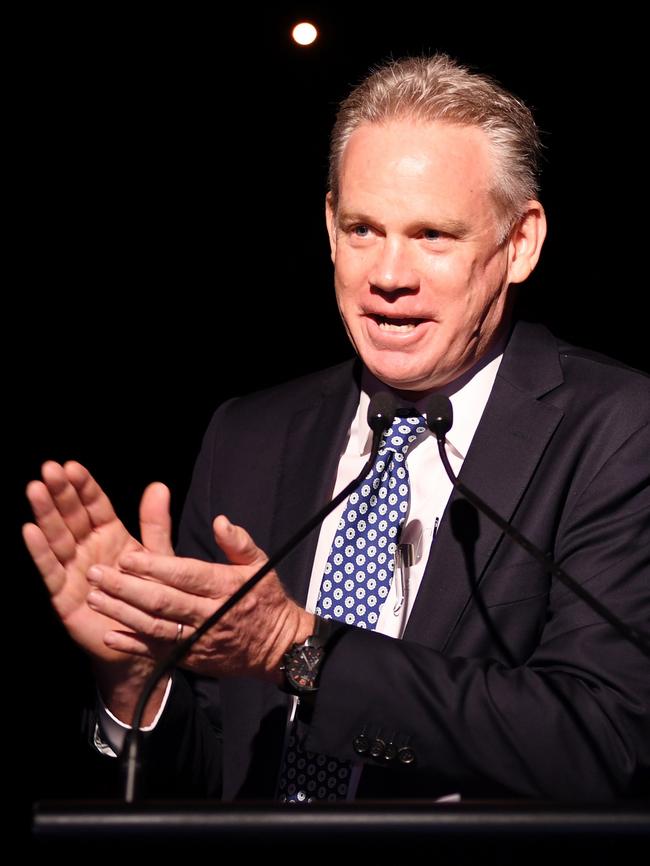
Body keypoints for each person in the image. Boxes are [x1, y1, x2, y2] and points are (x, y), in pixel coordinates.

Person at [24, 54, 650, 802]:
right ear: (328, 227)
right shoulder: (249, 437)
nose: (388, 275)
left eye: (432, 236)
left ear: (520, 244)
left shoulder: (617, 428)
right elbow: (208, 780)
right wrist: (136, 689)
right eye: (363, 229)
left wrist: (300, 650)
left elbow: (608, 736)